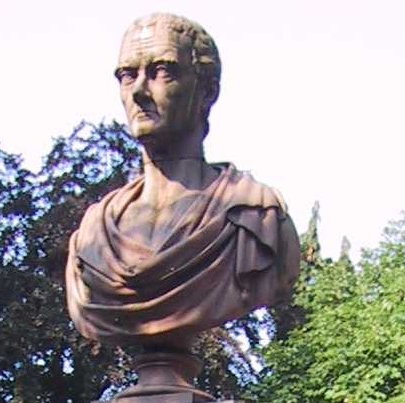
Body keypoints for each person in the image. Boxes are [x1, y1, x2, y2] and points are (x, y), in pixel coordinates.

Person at [66, 13, 299, 363]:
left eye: (163, 71)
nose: (139, 91)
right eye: (127, 75)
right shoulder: (93, 236)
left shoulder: (255, 219)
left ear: (207, 90)